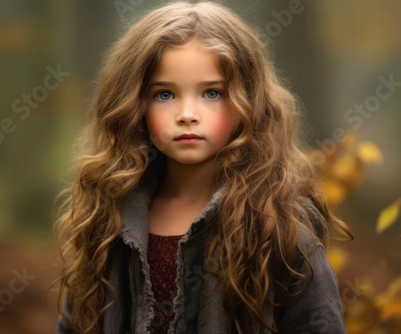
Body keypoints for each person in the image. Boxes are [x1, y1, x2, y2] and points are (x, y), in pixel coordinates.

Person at [54, 1, 352, 333]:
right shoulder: (108, 220)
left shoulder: (280, 228)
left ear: (247, 102)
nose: (187, 114)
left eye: (212, 93)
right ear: (133, 104)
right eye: (164, 95)